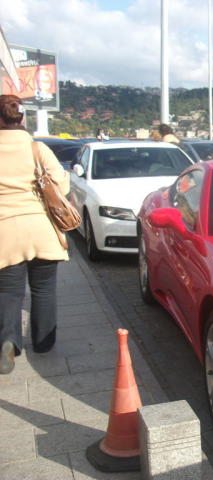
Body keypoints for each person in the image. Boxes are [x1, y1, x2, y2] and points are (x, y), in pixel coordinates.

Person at [0, 94, 70, 374]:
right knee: (43, 289)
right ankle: (43, 343)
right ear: (20, 118)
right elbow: (61, 186)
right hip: (40, 228)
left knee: (8, 291)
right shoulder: (36, 148)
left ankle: (8, 341)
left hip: (5, 231)